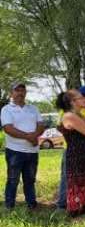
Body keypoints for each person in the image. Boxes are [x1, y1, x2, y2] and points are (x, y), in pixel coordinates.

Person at [56, 90, 85, 216]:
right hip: (77, 154)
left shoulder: (81, 114)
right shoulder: (69, 116)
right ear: (73, 102)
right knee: (78, 181)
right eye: (80, 97)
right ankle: (77, 208)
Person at [2, 82, 44, 210]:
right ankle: (9, 206)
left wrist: (35, 135)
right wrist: (29, 137)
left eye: (22, 90)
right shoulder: (6, 109)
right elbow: (8, 128)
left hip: (32, 151)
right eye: (17, 90)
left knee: (30, 180)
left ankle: (32, 204)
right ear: (12, 93)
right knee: (13, 180)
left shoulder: (33, 108)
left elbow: (41, 125)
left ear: (25, 93)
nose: (20, 93)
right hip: (15, 151)